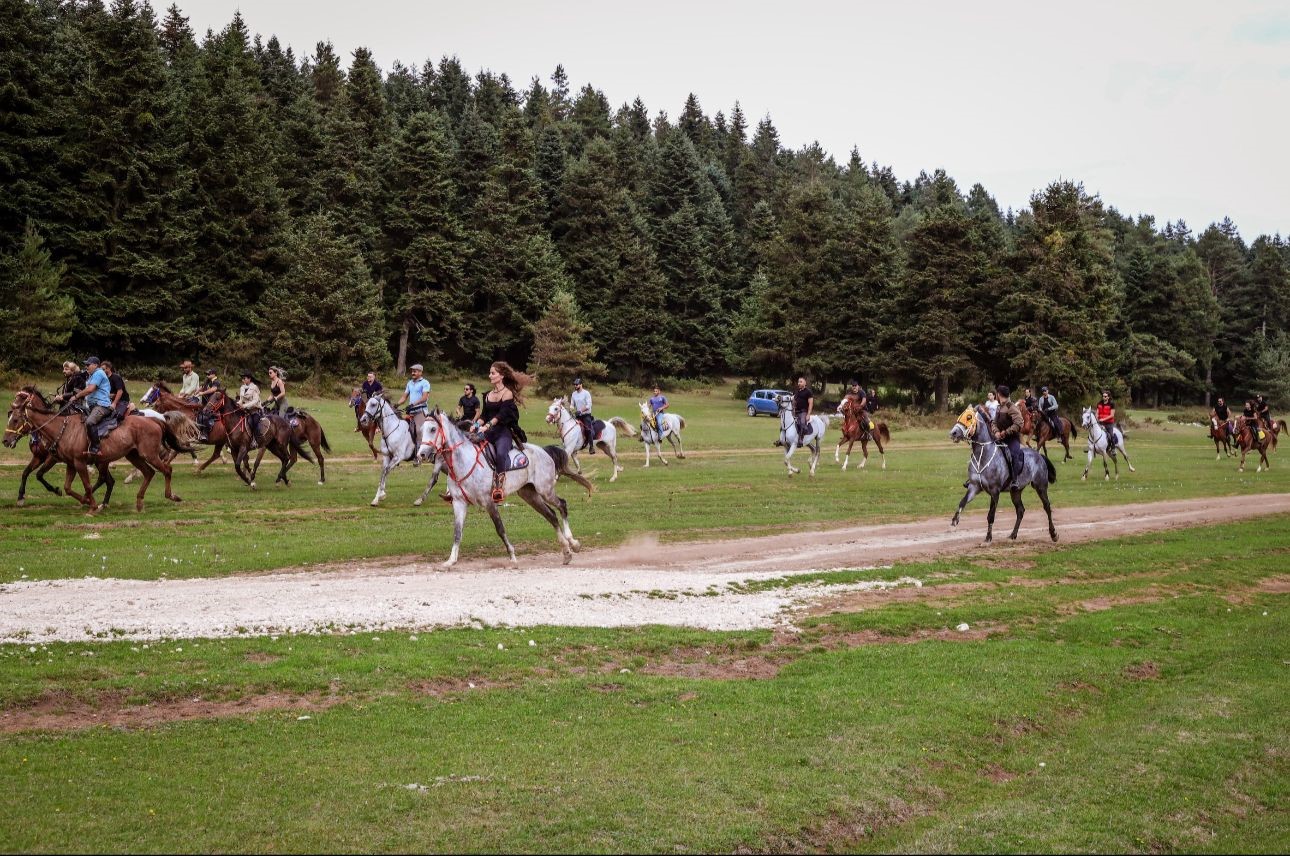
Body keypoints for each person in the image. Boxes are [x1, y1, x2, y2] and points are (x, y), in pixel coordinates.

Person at [470, 361, 531, 503]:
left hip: (502, 433)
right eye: (490, 373)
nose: (489, 375)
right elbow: (484, 416)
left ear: (501, 376)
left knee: (500, 453)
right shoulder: (487, 395)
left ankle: (499, 487)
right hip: (488, 432)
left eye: (493, 373)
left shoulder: (507, 394)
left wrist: (487, 426)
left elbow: (501, 415)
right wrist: (475, 424)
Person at [70, 356, 112, 457]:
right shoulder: (92, 375)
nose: (86, 366)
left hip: (102, 406)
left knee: (90, 422)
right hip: (93, 406)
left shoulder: (98, 373)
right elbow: (88, 391)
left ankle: (96, 448)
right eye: (86, 365)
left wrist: (76, 396)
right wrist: (78, 393)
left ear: (95, 365)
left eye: (88, 364)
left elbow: (90, 389)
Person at [992, 384, 1026, 490]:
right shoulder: (998, 407)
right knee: (986, 451)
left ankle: (1015, 480)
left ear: (998, 394)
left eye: (997, 394)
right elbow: (993, 422)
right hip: (999, 438)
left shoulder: (1012, 407)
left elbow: (1019, 423)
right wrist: (996, 431)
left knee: (1013, 455)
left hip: (1012, 439)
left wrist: (1005, 433)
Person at [396, 364, 431, 440]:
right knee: (405, 430)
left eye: (415, 371)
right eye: (412, 371)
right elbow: (404, 397)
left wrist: (413, 404)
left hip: (420, 411)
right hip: (411, 411)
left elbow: (424, 398)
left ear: (420, 372)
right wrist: (396, 404)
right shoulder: (409, 383)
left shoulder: (425, 383)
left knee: (419, 431)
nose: (413, 373)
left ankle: (420, 451)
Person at [237, 372, 264, 449]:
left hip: (254, 410)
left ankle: (255, 440)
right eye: (243, 378)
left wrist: (245, 405)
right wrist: (237, 404)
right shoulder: (242, 387)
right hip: (245, 411)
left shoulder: (254, 387)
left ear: (249, 379)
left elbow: (255, 401)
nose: (243, 379)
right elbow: (241, 399)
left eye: (245, 378)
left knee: (253, 423)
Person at [570, 377, 595, 454]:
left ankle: (591, 447)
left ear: (581, 384)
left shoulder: (586, 393)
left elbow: (589, 405)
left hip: (585, 415)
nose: (575, 386)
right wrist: (571, 408)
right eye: (574, 385)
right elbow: (572, 404)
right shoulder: (573, 394)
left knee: (588, 429)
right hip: (577, 415)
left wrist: (580, 411)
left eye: (577, 384)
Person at [792, 376, 814, 446]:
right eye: (798, 382)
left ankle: (801, 439)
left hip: (803, 412)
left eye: (801, 382)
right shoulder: (796, 392)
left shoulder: (808, 392)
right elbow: (793, 401)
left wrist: (808, 414)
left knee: (802, 423)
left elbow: (811, 403)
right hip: (795, 412)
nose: (799, 383)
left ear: (805, 383)